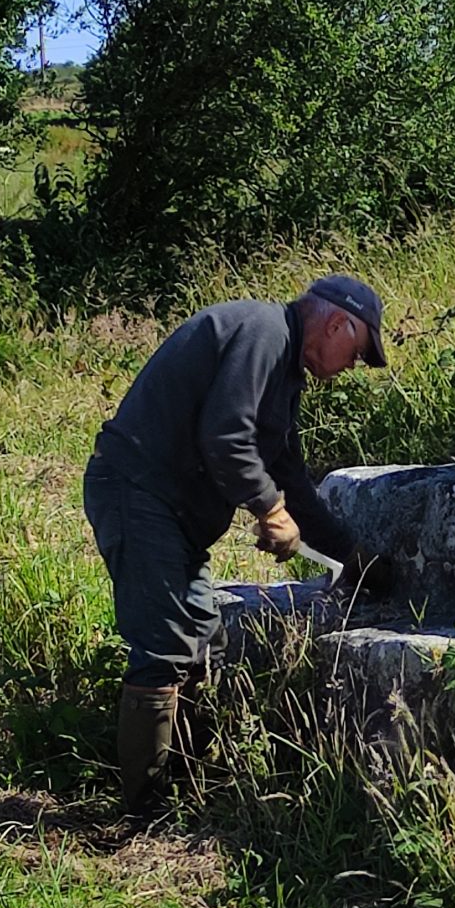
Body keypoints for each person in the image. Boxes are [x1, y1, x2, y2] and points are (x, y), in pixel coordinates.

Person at [82, 273, 386, 813]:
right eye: (357, 353)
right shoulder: (265, 332)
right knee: (165, 644)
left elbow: (284, 469)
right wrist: (268, 508)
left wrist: (350, 554)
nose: (348, 370)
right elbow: (225, 436)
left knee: (204, 641)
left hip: (171, 514)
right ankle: (145, 811)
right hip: (139, 493)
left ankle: (187, 790)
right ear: (339, 324)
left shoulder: (282, 364)